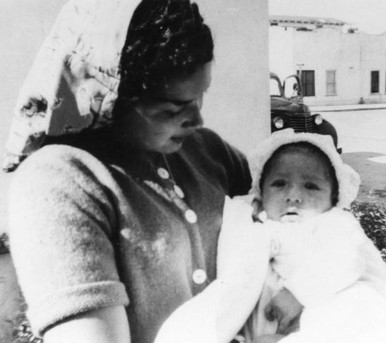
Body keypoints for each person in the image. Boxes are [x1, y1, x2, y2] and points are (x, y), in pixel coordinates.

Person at [8, 1, 271, 342]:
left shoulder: (208, 152)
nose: (197, 120)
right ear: (110, 98)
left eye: (201, 95)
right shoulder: (59, 181)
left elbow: (303, 221)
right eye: (173, 108)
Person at [219, 129, 386, 343]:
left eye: (311, 186)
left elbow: (345, 259)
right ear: (260, 191)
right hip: (271, 322)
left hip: (330, 309)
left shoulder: (333, 224)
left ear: (333, 198)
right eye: (279, 183)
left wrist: (298, 293)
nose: (293, 196)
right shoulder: (254, 220)